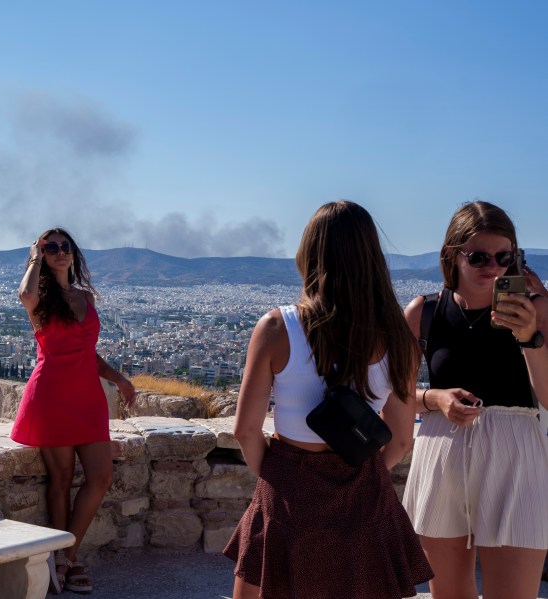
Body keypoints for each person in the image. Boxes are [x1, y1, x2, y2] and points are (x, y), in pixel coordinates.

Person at [224, 201, 432, 599]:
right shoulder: (398, 337)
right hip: (365, 493)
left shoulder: (277, 327)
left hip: (288, 488)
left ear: (308, 254)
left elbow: (245, 430)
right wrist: (362, 470)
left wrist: (275, 475)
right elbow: (402, 439)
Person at [402, 201, 548, 599]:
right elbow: (391, 393)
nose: (494, 267)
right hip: (442, 451)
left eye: (505, 257)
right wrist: (434, 398)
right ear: (453, 255)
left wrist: (529, 339)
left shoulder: (537, 310)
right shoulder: (426, 312)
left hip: (515, 454)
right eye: (479, 256)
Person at [10, 227, 136, 595]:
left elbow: (87, 351)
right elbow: (24, 293)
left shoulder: (84, 297)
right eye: (51, 248)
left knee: (100, 476)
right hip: (50, 395)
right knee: (61, 478)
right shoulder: (40, 299)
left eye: (65, 247)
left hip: (87, 398)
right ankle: (67, 559)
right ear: (42, 254)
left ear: (74, 253)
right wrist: (33, 256)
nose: (60, 252)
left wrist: (119, 379)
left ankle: (66, 554)